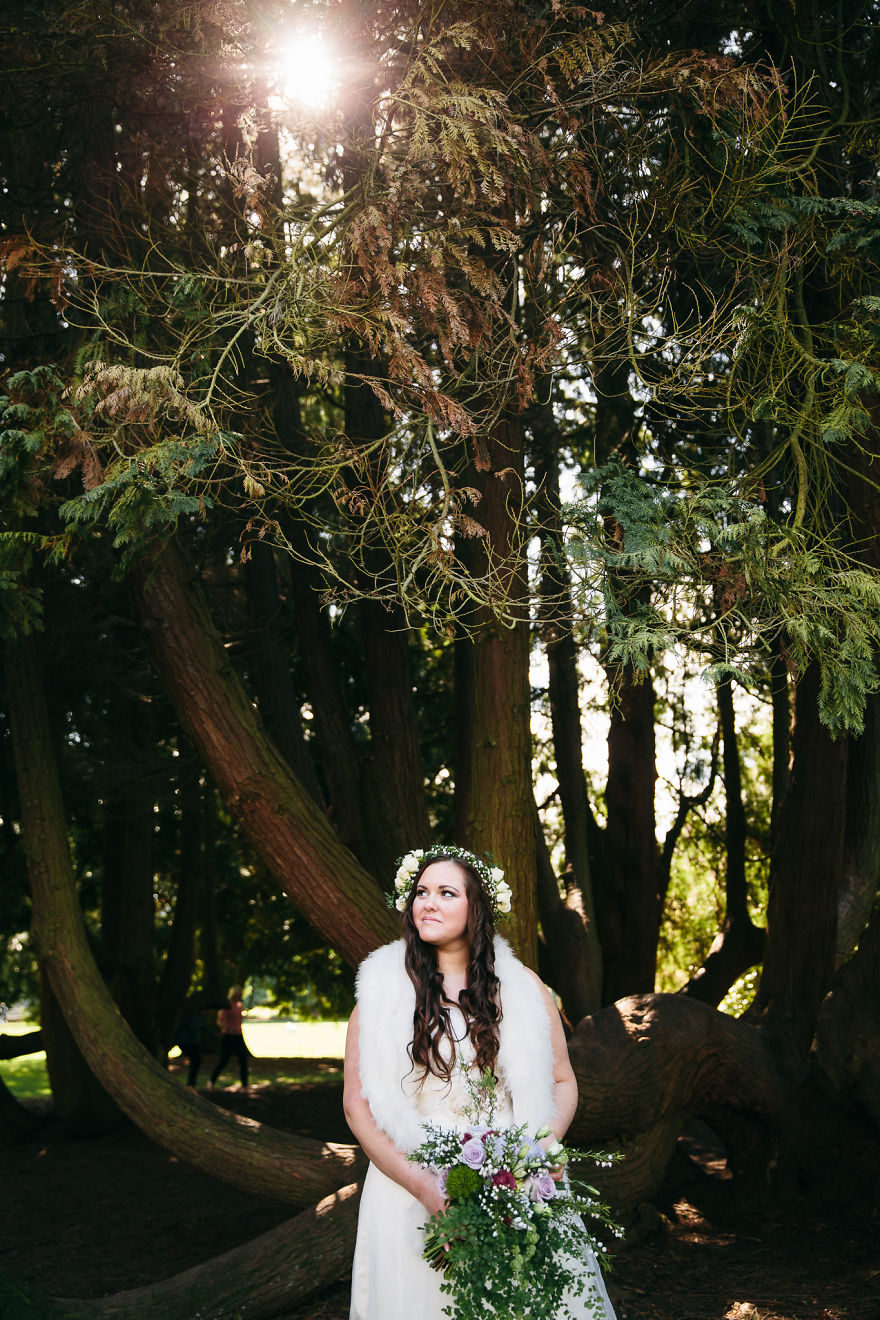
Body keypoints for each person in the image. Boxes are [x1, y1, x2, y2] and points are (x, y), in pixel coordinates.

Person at [343, 845, 616, 1320]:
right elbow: (357, 1107)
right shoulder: (380, 993)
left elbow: (562, 1081)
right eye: (421, 892)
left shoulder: (525, 989)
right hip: (409, 1182)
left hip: (514, 1179)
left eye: (447, 893)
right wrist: (429, 1189)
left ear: (478, 908)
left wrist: (535, 1154)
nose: (427, 902)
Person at [208, 985, 250, 1091]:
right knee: (223, 1060)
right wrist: (226, 1028)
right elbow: (219, 1021)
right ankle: (211, 1082)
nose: (238, 997)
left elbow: (239, 1018)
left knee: (243, 1060)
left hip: (238, 1035)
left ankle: (245, 1085)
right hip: (228, 1036)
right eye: (237, 995)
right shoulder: (226, 1006)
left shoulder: (239, 1005)